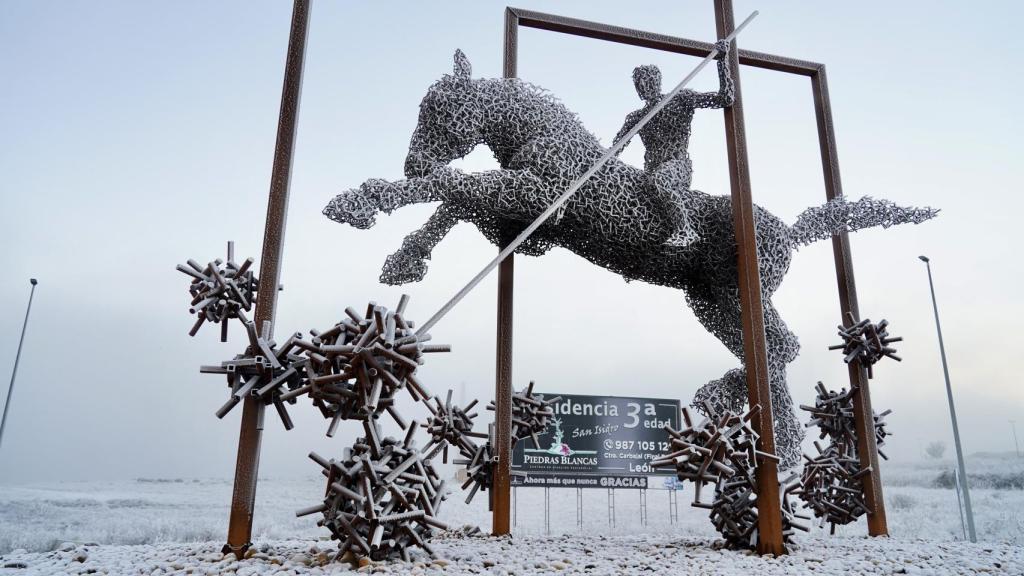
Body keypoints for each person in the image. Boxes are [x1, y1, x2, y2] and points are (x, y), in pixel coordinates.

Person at [614, 39, 734, 246]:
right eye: (639, 83)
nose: (644, 86)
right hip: (649, 170)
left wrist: (722, 62)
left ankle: (685, 230)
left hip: (676, 166)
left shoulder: (680, 99)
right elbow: (616, 148)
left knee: (661, 181)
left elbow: (725, 99)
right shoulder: (635, 117)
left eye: (648, 81)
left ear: (657, 82)